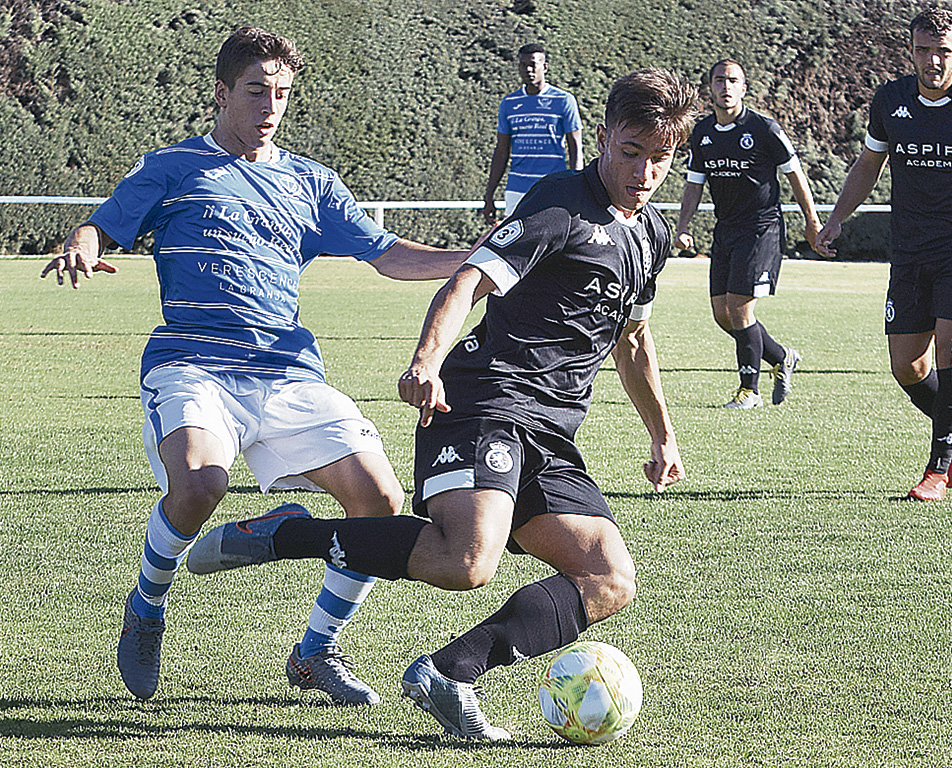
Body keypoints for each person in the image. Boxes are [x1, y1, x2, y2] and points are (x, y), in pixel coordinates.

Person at [187, 68, 697, 739]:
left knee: (608, 578)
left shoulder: (652, 234)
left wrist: (663, 436)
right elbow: (468, 282)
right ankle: (290, 533)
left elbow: (633, 340)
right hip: (485, 399)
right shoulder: (558, 204)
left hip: (552, 432)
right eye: (631, 152)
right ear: (601, 138)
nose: (642, 171)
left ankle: (449, 673)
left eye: (659, 158)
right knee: (467, 563)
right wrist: (426, 361)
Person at [39, 27, 469, 704]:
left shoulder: (311, 182)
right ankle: (147, 605)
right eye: (256, 91)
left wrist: (476, 264)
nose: (270, 106)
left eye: (282, 93)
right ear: (221, 93)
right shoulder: (173, 167)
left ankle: (316, 651)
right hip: (193, 365)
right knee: (200, 486)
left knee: (381, 504)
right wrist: (83, 244)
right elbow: (102, 224)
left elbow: (387, 253)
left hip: (286, 373)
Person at [816, 8, 952, 500]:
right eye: (924, 51)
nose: (934, 61)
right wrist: (837, 217)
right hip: (910, 246)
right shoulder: (890, 101)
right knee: (907, 365)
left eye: (944, 52)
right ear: (910, 51)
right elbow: (869, 163)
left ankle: (938, 467)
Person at [674, 58, 822, 409]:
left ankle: (749, 390)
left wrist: (812, 221)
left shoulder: (763, 129)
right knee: (722, 315)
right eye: (719, 80)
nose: (726, 87)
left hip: (761, 228)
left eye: (733, 80)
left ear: (744, 87)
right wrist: (682, 227)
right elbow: (694, 186)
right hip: (726, 229)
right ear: (709, 87)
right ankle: (782, 356)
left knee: (739, 309)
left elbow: (795, 175)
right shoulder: (703, 133)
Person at [481, 43, 584, 225]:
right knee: (515, 246)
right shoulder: (509, 103)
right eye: (523, 65)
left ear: (544, 67)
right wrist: (489, 194)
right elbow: (501, 151)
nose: (528, 70)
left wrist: (578, 188)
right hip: (517, 188)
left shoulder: (564, 100)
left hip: (553, 186)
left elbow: (575, 147)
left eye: (533, 65)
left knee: (553, 242)